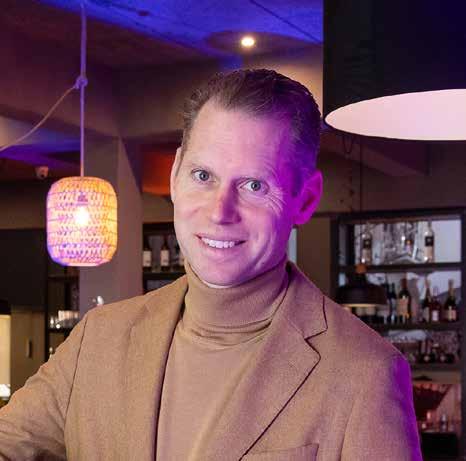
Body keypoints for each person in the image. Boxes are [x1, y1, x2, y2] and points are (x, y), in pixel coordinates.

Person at [0, 69, 422, 460]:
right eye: (203, 176)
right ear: (175, 176)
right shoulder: (98, 338)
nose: (220, 211)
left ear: (305, 199)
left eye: (254, 185)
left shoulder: (364, 372)